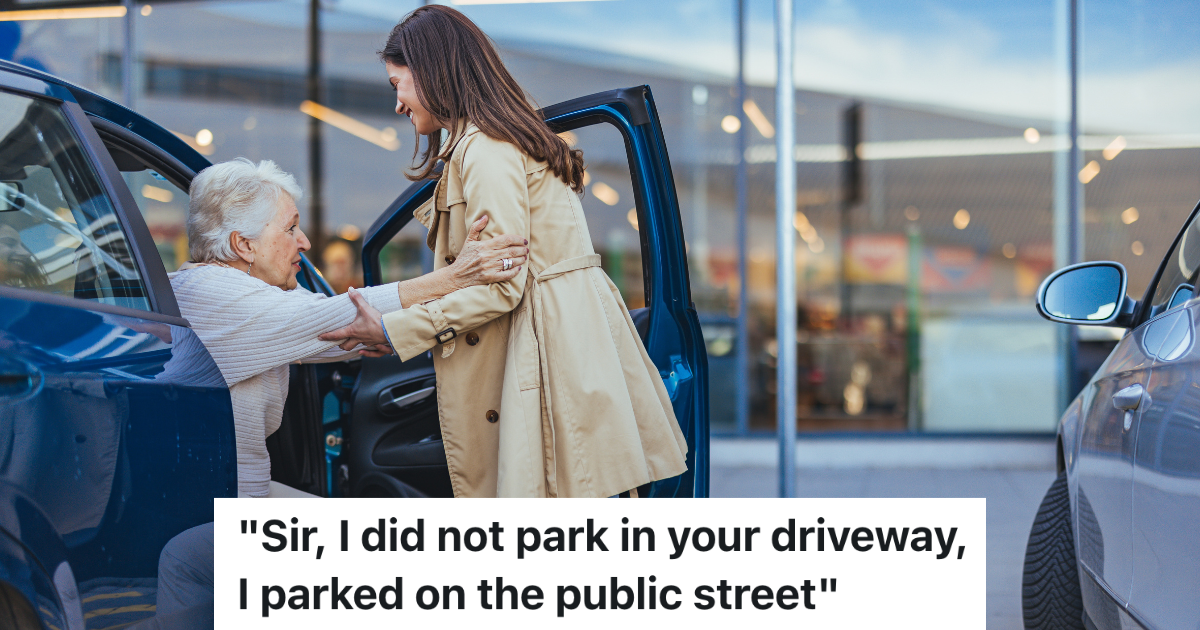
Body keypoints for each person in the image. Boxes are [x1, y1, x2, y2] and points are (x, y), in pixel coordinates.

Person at [321, 5, 687, 498]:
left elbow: (502, 288)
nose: (398, 104)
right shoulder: (496, 140)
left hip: (546, 366)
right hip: (565, 359)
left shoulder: (486, 148)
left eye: (397, 85)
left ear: (432, 72)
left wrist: (393, 330)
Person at [172, 157, 527, 498]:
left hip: (240, 489)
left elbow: (338, 333)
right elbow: (335, 316)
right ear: (244, 245)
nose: (305, 242)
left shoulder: (244, 298)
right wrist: (454, 278)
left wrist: (391, 332)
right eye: (291, 228)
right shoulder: (211, 296)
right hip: (213, 499)